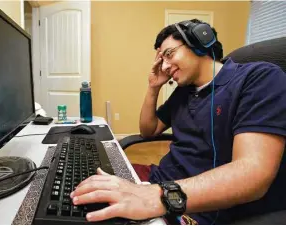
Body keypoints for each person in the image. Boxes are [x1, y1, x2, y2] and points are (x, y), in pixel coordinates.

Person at [70, 19, 286, 224]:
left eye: (169, 54)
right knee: (78, 185)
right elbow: (148, 130)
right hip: (159, 182)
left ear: (199, 42)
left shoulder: (259, 78)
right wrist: (153, 87)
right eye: (161, 59)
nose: (164, 66)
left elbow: (253, 174)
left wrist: (157, 196)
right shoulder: (184, 92)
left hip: (194, 204)